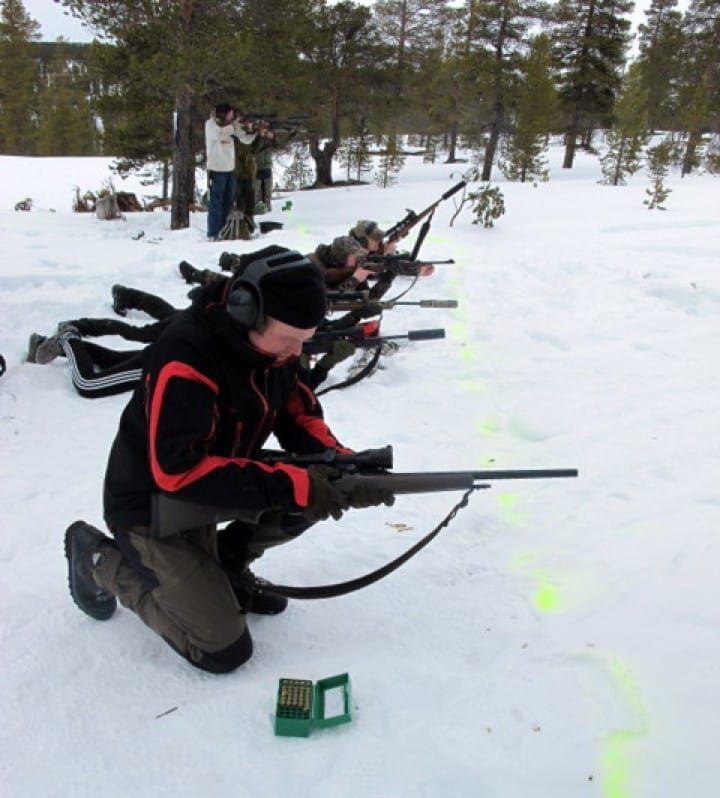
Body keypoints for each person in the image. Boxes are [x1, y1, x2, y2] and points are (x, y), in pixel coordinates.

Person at [63, 246, 394, 674]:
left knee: (321, 486)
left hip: (218, 480)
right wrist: (294, 484)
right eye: (289, 339)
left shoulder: (276, 349)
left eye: (304, 340)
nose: (296, 352)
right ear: (245, 310)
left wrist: (345, 466)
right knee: (223, 650)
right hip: (151, 506)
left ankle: (227, 568)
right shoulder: (186, 357)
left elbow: (300, 414)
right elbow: (178, 472)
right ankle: (98, 559)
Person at [205, 103, 254, 240]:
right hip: (216, 170)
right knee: (216, 203)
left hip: (229, 170)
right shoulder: (211, 124)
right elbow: (218, 134)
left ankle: (225, 230)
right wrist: (234, 126)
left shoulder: (231, 127)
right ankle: (213, 232)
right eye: (230, 114)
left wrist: (254, 131)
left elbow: (245, 139)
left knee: (228, 202)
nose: (232, 117)